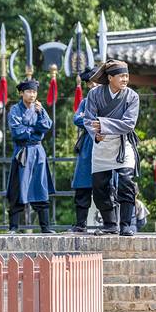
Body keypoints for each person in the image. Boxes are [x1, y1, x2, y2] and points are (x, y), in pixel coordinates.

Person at [84, 59, 140, 236]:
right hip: (101, 142)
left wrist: (102, 124)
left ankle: (126, 225)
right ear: (110, 78)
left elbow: (129, 124)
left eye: (126, 76)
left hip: (123, 143)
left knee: (126, 183)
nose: (125, 79)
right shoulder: (94, 94)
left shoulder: (132, 96)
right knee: (99, 187)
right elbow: (88, 119)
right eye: (121, 76)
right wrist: (95, 133)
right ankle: (110, 224)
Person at [7, 78, 56, 233]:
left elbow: (47, 125)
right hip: (22, 152)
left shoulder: (39, 108)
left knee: (40, 186)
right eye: (29, 91)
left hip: (38, 152)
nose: (32, 95)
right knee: (18, 187)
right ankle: (13, 227)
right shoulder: (15, 110)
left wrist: (40, 114)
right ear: (21, 93)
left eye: (34, 92)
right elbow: (17, 132)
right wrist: (35, 131)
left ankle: (45, 227)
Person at [68, 67, 99, 233]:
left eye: (96, 81)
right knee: (83, 185)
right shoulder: (85, 102)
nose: (93, 84)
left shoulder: (109, 100)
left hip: (107, 143)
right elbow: (76, 119)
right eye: (90, 82)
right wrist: (95, 121)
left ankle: (112, 224)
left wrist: (90, 120)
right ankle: (81, 224)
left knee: (108, 187)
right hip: (88, 145)